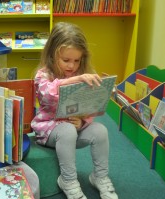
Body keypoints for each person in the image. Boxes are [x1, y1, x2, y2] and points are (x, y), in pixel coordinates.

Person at [31, 22, 118, 199]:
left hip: (73, 129)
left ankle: (99, 177)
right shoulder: (43, 74)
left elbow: (90, 107)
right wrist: (72, 80)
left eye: (77, 60)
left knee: (100, 131)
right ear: (52, 55)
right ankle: (68, 180)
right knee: (68, 130)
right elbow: (47, 95)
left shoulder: (82, 73)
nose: (72, 66)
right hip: (48, 131)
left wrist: (83, 121)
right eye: (66, 60)